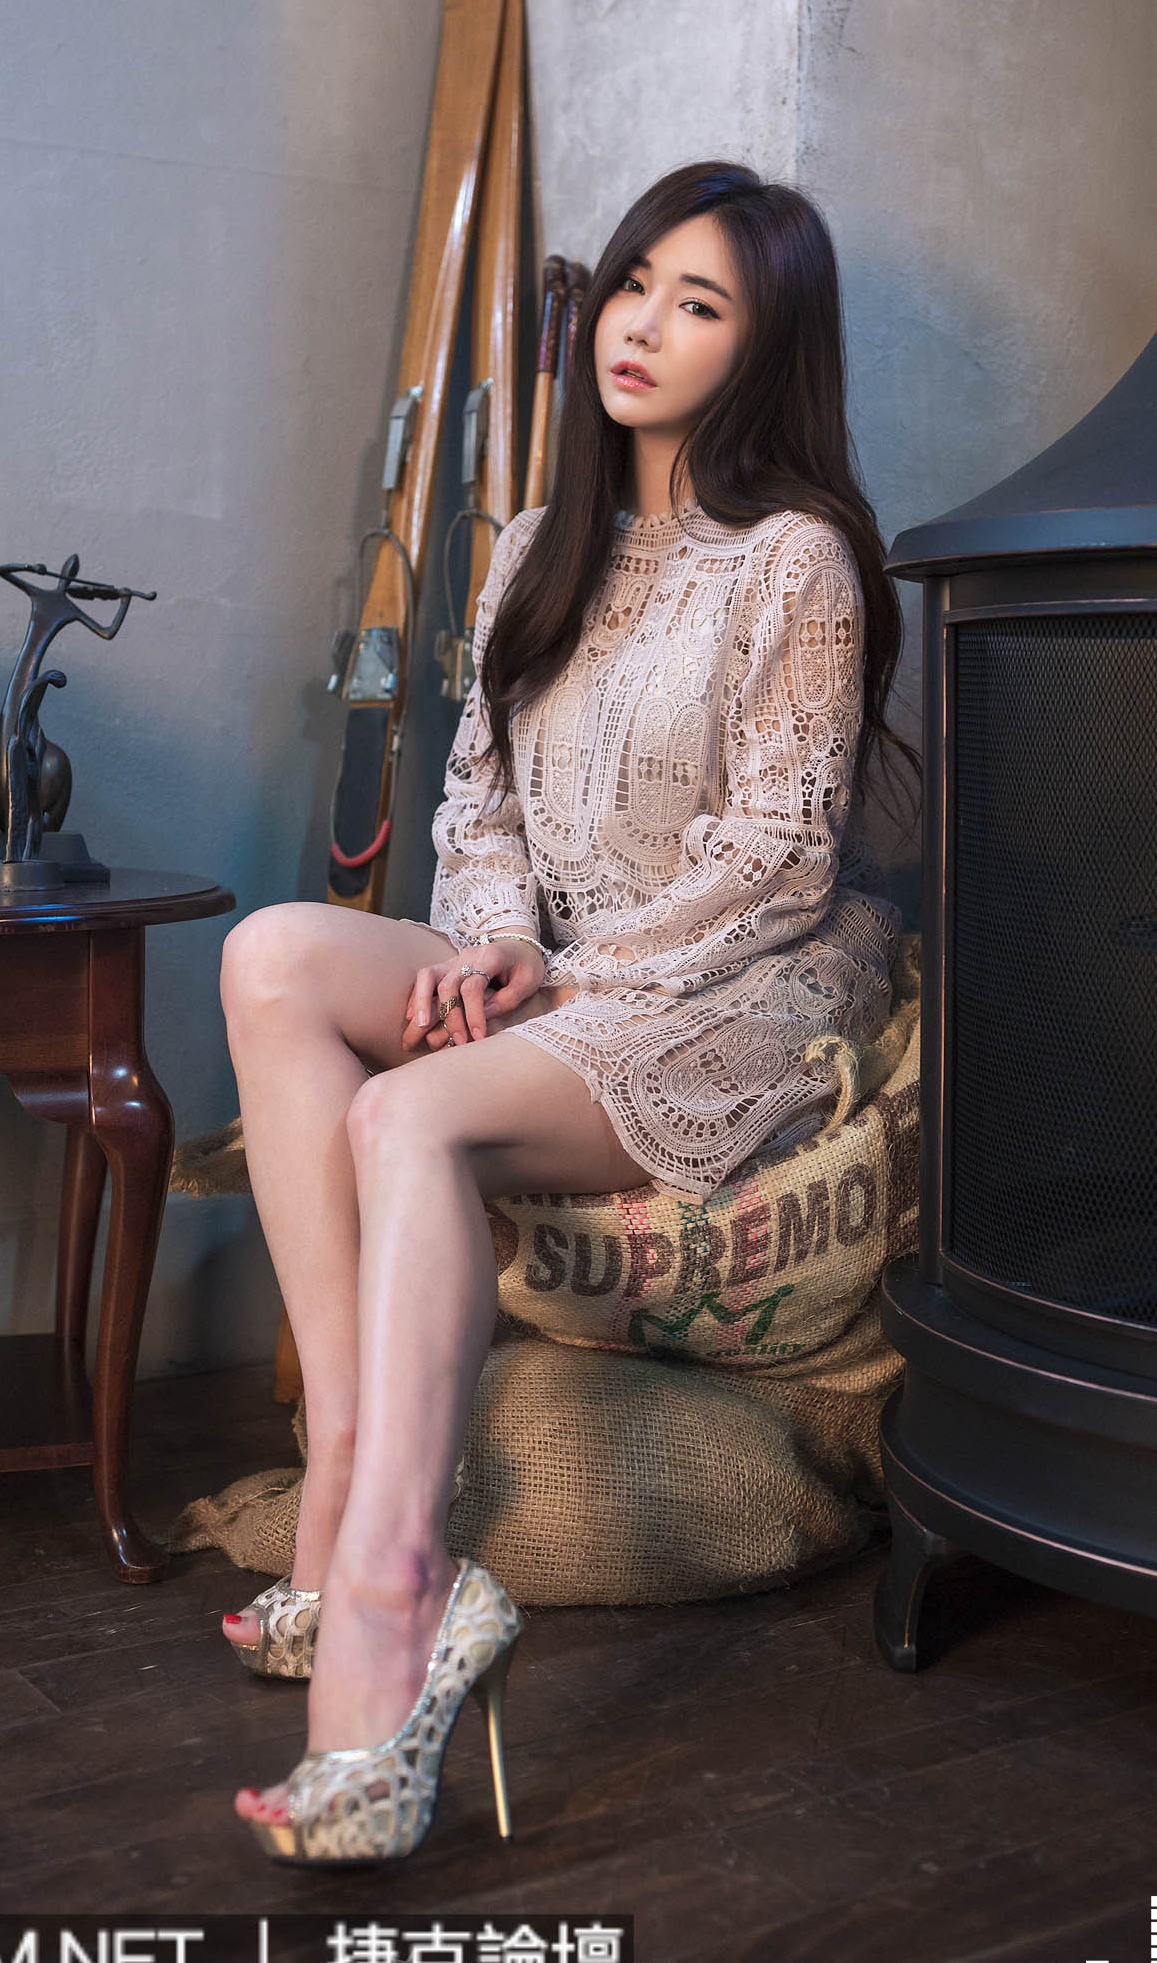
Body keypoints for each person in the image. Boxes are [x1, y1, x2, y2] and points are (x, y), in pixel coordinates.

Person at [219, 161, 908, 1862]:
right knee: (271, 956)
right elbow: (481, 808)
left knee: (405, 1112)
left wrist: (563, 978)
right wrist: (489, 946)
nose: (641, 323)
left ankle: (395, 1585)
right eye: (634, 281)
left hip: (728, 988)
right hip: (551, 966)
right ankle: (344, 1462)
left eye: (700, 302)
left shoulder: (799, 561)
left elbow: (777, 859)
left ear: (765, 349)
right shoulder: (537, 544)